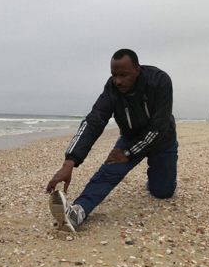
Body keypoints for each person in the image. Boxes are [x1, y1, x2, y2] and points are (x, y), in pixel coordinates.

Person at [46, 49, 178, 232]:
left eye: (124, 75)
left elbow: (159, 126)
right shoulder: (112, 90)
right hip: (129, 139)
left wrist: (128, 153)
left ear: (137, 70)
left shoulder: (160, 80)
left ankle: (155, 179)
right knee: (107, 174)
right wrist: (70, 161)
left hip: (162, 140)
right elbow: (93, 121)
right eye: (114, 75)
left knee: (163, 192)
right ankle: (77, 213)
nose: (118, 81)